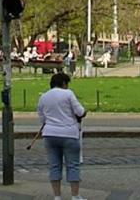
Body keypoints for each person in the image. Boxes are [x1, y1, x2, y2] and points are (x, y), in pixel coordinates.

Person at [37, 72, 87, 200]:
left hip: (50, 134)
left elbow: (42, 118)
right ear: (64, 83)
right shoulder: (68, 93)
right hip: (69, 133)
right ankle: (75, 196)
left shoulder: (43, 97)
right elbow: (80, 111)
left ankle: (57, 196)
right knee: (73, 165)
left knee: (54, 165)